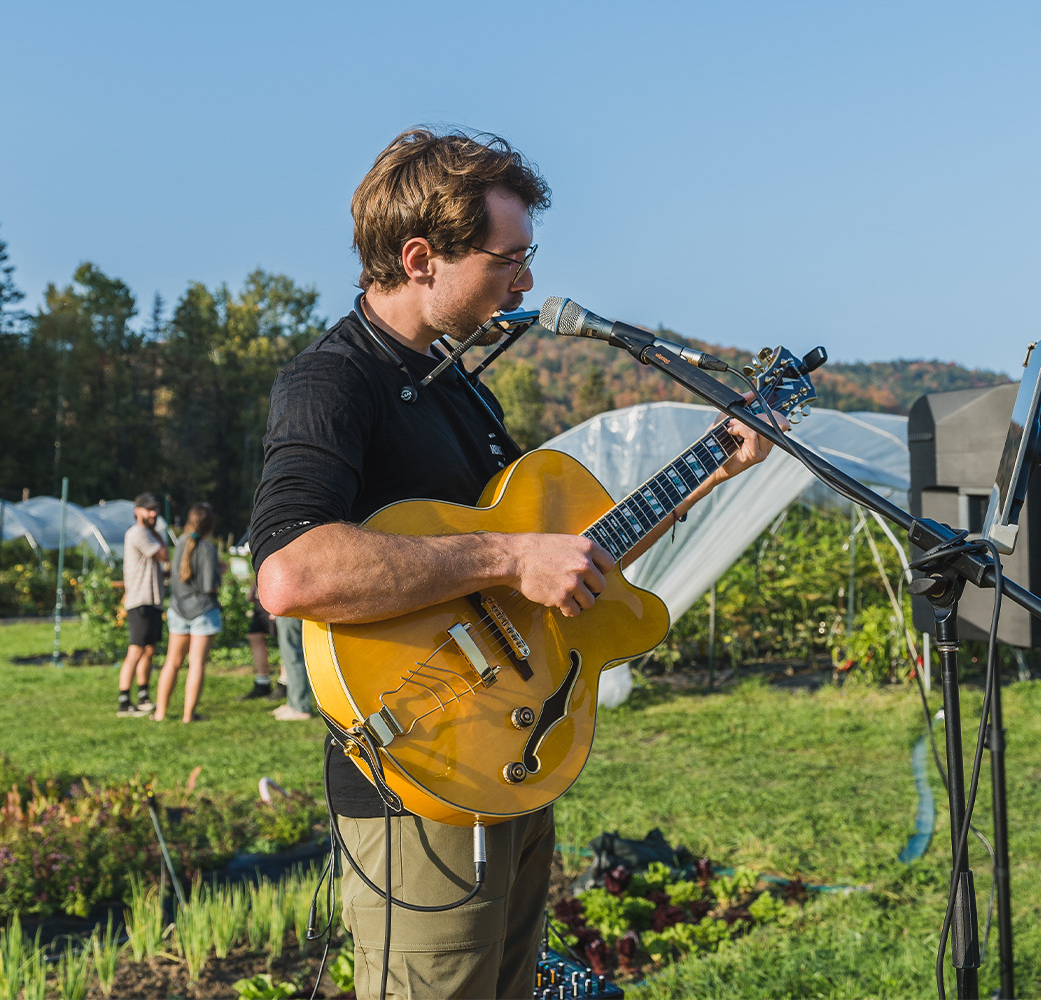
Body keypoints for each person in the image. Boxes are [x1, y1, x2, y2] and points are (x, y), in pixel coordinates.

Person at [249, 127, 782, 999]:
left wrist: (714, 464)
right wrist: (506, 552)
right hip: (416, 773)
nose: (527, 283)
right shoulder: (332, 383)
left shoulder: (458, 387)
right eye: (509, 260)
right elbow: (292, 572)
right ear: (421, 257)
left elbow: (567, 562)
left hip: (509, 752)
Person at [153, 502, 222, 723]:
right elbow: (210, 585)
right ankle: (188, 715)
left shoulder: (181, 543)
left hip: (178, 609)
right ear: (210, 525)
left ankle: (160, 712)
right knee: (196, 664)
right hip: (202, 610)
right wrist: (221, 571)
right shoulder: (207, 548)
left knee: (172, 662)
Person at [117, 492, 166, 717]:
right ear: (137, 511)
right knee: (136, 650)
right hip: (140, 599)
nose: (153, 513)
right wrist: (157, 533)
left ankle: (143, 696)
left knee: (148, 650)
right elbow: (163, 554)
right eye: (149, 509)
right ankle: (124, 702)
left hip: (152, 600)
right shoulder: (138, 533)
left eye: (155, 509)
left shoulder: (148, 532)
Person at [240, 590, 284, 700]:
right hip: (262, 596)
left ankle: (285, 683)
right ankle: (262, 682)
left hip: (278, 595)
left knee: (284, 638)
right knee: (254, 635)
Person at [270, 615, 313, 721]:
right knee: (288, 657)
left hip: (290, 609)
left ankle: (300, 707)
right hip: (287, 609)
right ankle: (292, 704)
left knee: (293, 657)